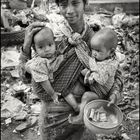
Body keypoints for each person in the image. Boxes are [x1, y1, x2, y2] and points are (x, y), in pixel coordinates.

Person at [18, 0, 123, 139]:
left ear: (85, 3)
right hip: (52, 118)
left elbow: (115, 74)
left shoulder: (98, 38)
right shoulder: (49, 37)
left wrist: (114, 94)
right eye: (63, 4)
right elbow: (25, 78)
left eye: (75, 3)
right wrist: (26, 47)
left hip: (86, 117)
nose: (69, 10)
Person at [67, 28, 121, 124]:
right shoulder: (100, 56)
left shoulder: (110, 65)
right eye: (92, 50)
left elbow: (102, 78)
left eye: (98, 51)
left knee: (87, 96)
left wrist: (89, 74)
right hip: (92, 89)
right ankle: (84, 110)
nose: (94, 53)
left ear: (111, 52)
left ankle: (80, 118)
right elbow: (87, 57)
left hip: (102, 93)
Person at [25, 27, 63, 104]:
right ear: (35, 49)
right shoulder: (39, 64)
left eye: (50, 45)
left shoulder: (54, 52)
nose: (47, 49)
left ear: (54, 43)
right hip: (44, 89)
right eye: (41, 47)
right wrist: (53, 94)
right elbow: (44, 82)